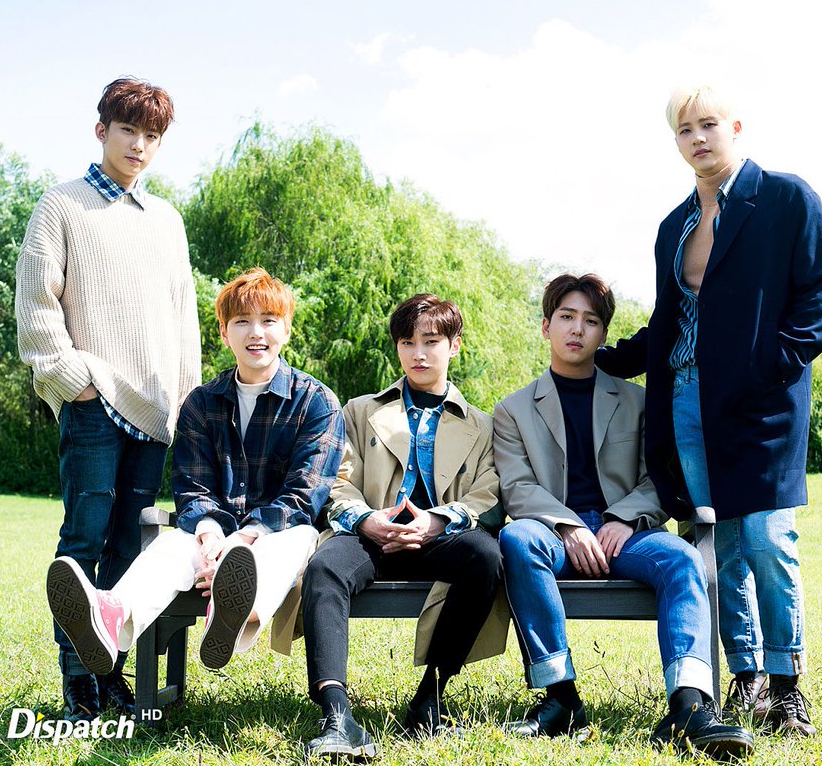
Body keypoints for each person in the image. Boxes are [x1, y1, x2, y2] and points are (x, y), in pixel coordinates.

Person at [595, 86, 822, 736]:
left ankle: (787, 686)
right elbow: (670, 320)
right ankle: (747, 677)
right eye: (684, 129)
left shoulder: (786, 199)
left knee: (767, 537)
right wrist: (605, 357)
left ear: (735, 126)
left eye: (708, 124)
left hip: (763, 404)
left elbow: (821, 294)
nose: (697, 138)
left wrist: (773, 367)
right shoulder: (673, 225)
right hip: (686, 400)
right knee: (720, 544)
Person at [44, 268, 345, 716]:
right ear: (224, 333)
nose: (256, 332)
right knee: (171, 547)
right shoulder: (202, 403)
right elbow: (192, 486)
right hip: (213, 537)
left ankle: (232, 609)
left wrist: (243, 538)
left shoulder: (316, 402)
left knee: (293, 541)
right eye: (242, 322)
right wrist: (208, 533)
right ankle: (110, 615)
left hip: (282, 533)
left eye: (268, 320)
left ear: (286, 329)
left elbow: (304, 495)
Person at [494, 273, 753, 760]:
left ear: (603, 334)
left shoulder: (636, 401)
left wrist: (624, 517)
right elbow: (517, 487)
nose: (577, 329)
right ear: (546, 327)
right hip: (553, 535)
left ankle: (689, 706)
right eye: (566, 317)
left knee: (682, 558)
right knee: (517, 539)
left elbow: (659, 478)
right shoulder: (512, 410)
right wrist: (568, 525)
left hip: (626, 535)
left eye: (590, 321)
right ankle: (560, 698)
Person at [15, 77, 201, 721]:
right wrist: (75, 381)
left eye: (151, 136)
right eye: (127, 131)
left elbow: (183, 318)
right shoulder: (61, 204)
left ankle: (112, 675)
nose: (138, 145)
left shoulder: (167, 220)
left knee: (130, 544)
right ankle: (78, 681)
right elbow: (36, 301)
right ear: (102, 131)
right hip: (93, 401)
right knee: (84, 538)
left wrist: (185, 401)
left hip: (153, 407)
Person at [301, 294, 505, 762]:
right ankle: (336, 715)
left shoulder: (483, 425)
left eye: (431, 342)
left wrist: (438, 520)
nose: (418, 353)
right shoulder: (358, 411)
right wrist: (365, 519)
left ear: (454, 346)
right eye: (407, 342)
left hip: (443, 539)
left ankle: (430, 696)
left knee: (486, 555)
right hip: (370, 534)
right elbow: (337, 481)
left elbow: (490, 495)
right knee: (324, 567)